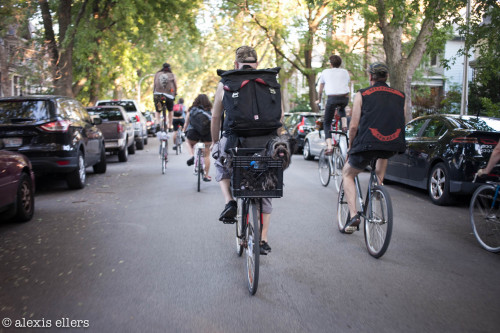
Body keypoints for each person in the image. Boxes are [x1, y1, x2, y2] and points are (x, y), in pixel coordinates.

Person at [210, 46, 283, 254]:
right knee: (267, 183)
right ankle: (263, 238)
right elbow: (280, 117)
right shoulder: (271, 81)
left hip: (236, 141)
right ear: (256, 63)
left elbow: (216, 117)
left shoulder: (226, 82)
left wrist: (215, 142)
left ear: (236, 64)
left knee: (220, 162)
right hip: (266, 142)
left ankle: (230, 201)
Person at [342, 62, 406, 234]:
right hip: (392, 143)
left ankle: (354, 215)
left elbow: (354, 126)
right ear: (387, 77)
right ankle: (378, 188)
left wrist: (350, 147)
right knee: (382, 157)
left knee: (347, 174)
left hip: (367, 143)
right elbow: (402, 120)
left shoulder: (362, 94)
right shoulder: (401, 95)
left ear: (370, 76)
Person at [316, 55, 350, 155]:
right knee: (342, 108)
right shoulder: (345, 72)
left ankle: (330, 147)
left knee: (326, 123)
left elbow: (321, 88)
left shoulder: (325, 72)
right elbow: (345, 83)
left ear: (330, 64)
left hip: (332, 98)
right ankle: (344, 126)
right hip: (344, 98)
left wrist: (319, 99)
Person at [184, 94, 213, 181]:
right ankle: (206, 176)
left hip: (193, 134)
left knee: (187, 142)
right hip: (207, 135)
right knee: (206, 155)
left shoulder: (191, 110)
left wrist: (184, 132)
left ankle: (192, 155)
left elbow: (186, 123)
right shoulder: (211, 110)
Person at [153, 63, 177, 132]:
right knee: (170, 110)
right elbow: (175, 85)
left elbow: (154, 84)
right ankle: (170, 126)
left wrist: (154, 93)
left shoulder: (157, 74)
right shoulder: (172, 75)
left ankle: (157, 123)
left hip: (158, 94)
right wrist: (175, 93)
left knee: (158, 110)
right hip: (169, 95)